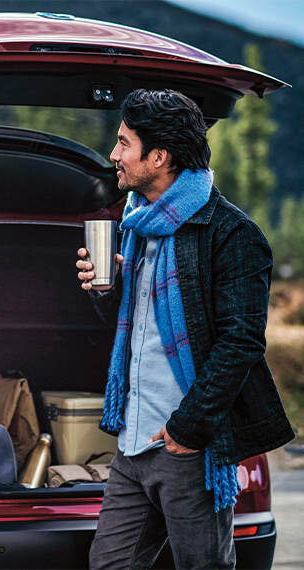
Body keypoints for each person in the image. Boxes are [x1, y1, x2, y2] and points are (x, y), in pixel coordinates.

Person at [76, 89, 294, 569]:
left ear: (158, 157)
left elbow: (241, 343)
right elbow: (134, 331)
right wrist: (103, 290)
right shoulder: (136, 224)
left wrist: (187, 431)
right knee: (109, 564)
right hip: (133, 442)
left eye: (123, 144)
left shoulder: (232, 235)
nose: (113, 155)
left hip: (186, 447)